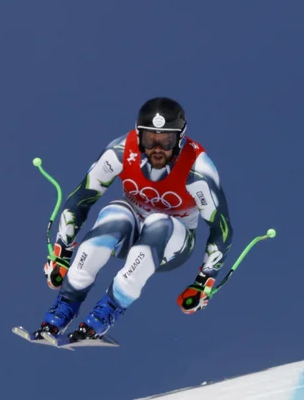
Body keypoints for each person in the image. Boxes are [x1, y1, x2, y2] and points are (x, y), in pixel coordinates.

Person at [32, 97, 234, 342]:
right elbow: (83, 196)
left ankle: (104, 315)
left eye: (166, 140)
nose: (157, 148)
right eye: (150, 139)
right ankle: (62, 309)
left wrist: (204, 281)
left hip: (171, 244)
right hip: (129, 231)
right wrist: (62, 251)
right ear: (139, 135)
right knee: (116, 212)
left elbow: (221, 228)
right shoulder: (121, 151)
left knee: (160, 222)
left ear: (180, 138)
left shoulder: (197, 168)